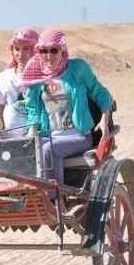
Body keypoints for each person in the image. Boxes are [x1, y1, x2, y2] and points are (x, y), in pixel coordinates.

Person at [21, 28, 113, 192]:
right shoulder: (36, 73)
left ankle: (56, 200)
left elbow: (100, 93)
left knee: (49, 150)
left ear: (62, 49)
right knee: (21, 149)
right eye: (43, 51)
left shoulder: (77, 68)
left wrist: (105, 117)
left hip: (78, 135)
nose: (49, 56)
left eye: (53, 50)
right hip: (48, 135)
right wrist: (31, 130)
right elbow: (33, 109)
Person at [0, 28, 39, 140]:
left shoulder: (42, 78)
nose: (21, 54)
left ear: (34, 50)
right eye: (17, 49)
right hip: (8, 139)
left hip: (38, 137)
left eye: (26, 49)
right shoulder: (2, 79)